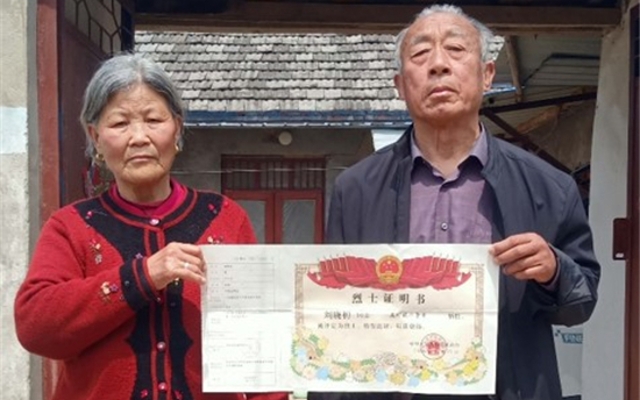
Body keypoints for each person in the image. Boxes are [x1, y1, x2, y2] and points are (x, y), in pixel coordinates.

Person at [311, 4, 600, 400]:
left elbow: (581, 304)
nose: (438, 65)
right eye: (420, 54)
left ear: (487, 75)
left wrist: (554, 270)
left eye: (456, 50)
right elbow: (333, 314)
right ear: (400, 85)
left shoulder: (549, 186)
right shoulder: (356, 189)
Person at [14, 54, 288, 400]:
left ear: (177, 128)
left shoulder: (224, 218)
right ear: (95, 137)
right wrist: (143, 276)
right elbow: (35, 328)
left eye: (153, 120)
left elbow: (262, 341)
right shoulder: (71, 227)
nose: (139, 137)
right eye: (120, 123)